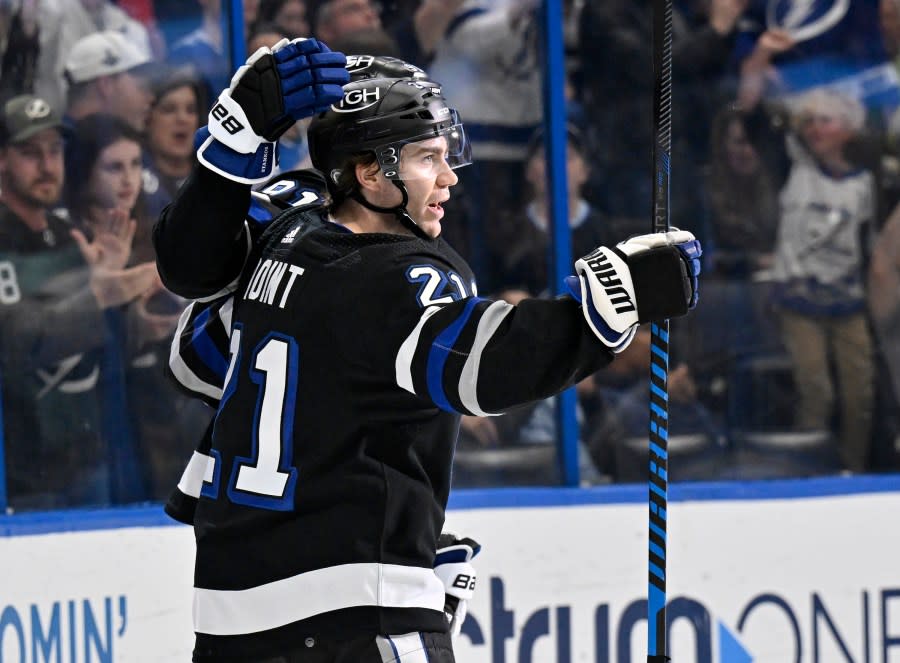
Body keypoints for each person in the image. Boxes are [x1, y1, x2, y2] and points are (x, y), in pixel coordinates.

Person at [152, 38, 701, 661]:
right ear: (368, 173)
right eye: (426, 159)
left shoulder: (287, 227)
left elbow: (193, 346)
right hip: (350, 616)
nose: (448, 178)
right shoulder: (397, 274)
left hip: (229, 618)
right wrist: (607, 304)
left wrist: (237, 138)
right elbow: (481, 368)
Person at [0, 94, 157, 508]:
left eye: (55, 150)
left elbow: (99, 352)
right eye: (30, 153)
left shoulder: (69, 235)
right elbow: (12, 342)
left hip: (87, 452)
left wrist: (136, 323)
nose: (48, 165)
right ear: (2, 160)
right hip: (20, 466)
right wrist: (98, 294)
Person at [771, 87, 877, 473]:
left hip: (848, 301)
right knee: (817, 392)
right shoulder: (793, 166)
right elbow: (771, 118)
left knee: (859, 393)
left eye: (826, 121)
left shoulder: (867, 182)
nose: (816, 129)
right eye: (810, 121)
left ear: (849, 129)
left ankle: (853, 471)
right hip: (799, 301)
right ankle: (809, 471)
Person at [63, 30, 155, 133]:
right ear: (106, 85)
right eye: (141, 87)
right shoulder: (66, 146)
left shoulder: (63, 141)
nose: (150, 98)